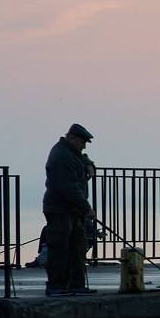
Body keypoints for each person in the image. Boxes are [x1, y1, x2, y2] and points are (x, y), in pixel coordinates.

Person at [43, 123, 97, 295]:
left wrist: (89, 164)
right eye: (82, 142)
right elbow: (68, 187)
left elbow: (83, 158)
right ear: (72, 138)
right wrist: (86, 207)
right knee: (59, 249)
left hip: (72, 210)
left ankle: (76, 285)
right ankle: (56, 286)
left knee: (77, 248)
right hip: (59, 210)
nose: (84, 146)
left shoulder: (71, 152)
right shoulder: (61, 156)